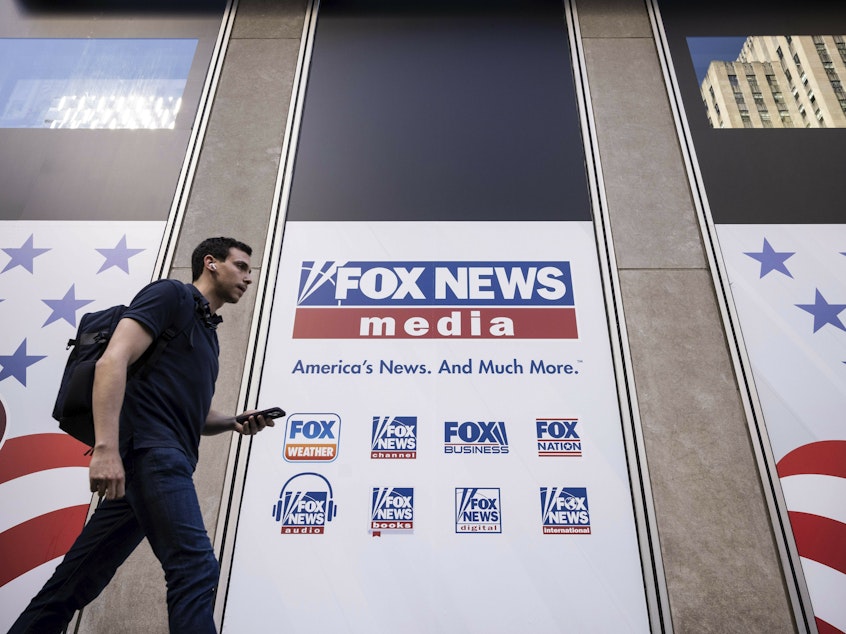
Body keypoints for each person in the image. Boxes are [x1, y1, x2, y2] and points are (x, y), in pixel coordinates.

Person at [10, 237, 274, 634]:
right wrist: (105, 448)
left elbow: (194, 416)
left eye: (249, 271)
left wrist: (234, 420)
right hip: (152, 455)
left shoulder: (209, 335)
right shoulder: (170, 295)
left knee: (74, 582)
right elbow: (112, 359)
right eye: (241, 266)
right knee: (195, 566)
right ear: (211, 263)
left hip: (158, 463)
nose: (248, 278)